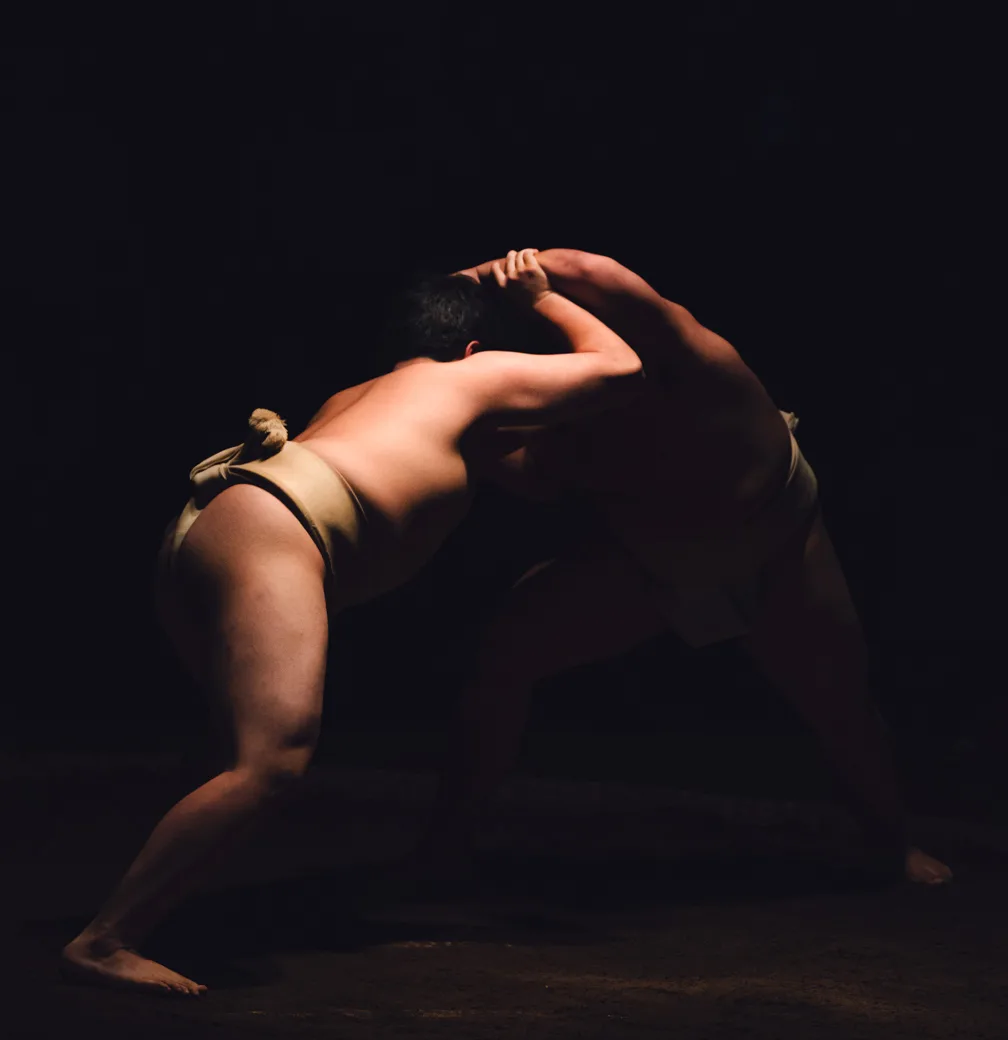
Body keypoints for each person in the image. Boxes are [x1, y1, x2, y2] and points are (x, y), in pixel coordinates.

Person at [61, 251, 644, 995]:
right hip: (275, 532)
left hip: (213, 525)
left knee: (225, 751)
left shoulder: (362, 396)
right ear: (475, 350)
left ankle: (161, 910)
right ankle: (106, 939)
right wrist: (538, 297)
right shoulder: (467, 378)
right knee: (272, 761)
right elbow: (619, 366)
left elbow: (535, 481)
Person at [420, 249, 953, 887]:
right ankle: (445, 847)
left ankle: (892, 846)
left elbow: (582, 272)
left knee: (842, 704)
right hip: (653, 558)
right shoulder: (532, 410)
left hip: (776, 535)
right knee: (504, 653)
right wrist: (441, 349)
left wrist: (485, 281)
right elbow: (537, 481)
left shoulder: (664, 344)